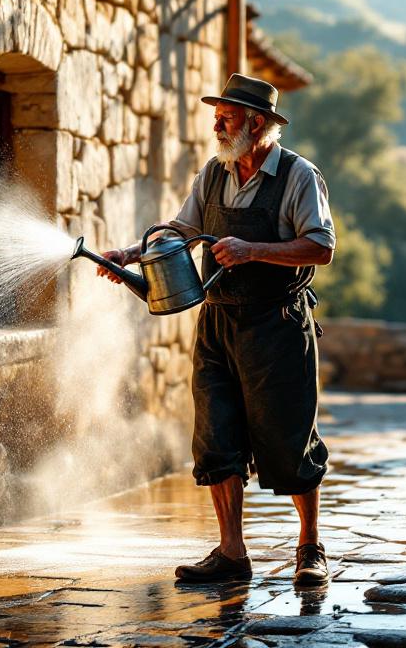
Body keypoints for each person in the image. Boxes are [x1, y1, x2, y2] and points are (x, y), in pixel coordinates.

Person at [96, 73, 335, 587]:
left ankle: (309, 548)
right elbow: (180, 231)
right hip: (218, 323)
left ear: (256, 122)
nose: (216, 121)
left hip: (278, 325)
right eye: (217, 113)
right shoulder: (215, 172)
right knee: (215, 438)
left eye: (226, 114)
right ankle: (231, 553)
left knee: (290, 439)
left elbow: (321, 246)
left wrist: (254, 251)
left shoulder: (298, 176)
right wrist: (128, 254)